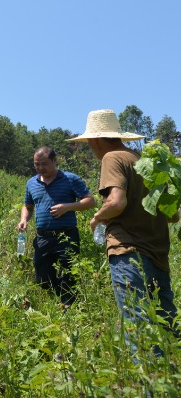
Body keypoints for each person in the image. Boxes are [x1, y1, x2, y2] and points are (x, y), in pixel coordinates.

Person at [69, 109, 180, 354]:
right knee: (167, 330)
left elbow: (117, 202)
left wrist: (98, 216)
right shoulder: (146, 163)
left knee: (138, 332)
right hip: (158, 256)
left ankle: (149, 389)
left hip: (128, 253)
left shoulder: (113, 158)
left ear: (95, 140)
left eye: (89, 143)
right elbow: (173, 215)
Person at [17, 147, 95, 306]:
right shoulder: (31, 183)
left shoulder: (70, 179)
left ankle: (69, 307)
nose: (40, 168)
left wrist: (67, 207)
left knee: (70, 273)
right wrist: (24, 219)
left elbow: (90, 201)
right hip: (43, 237)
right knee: (42, 278)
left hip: (66, 235)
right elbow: (28, 206)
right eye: (36, 164)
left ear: (54, 160)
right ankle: (62, 297)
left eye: (44, 164)